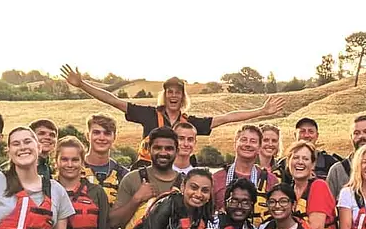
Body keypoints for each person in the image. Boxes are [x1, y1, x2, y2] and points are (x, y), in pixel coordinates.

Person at [59, 65, 283, 167]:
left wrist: (261, 112)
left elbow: (226, 118)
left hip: (180, 173)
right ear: (164, 95)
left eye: (178, 92)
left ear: (183, 97)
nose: (173, 96)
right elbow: (113, 100)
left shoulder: (191, 122)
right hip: (148, 170)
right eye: (170, 92)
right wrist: (82, 85)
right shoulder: (147, 114)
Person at [111, 127, 183, 229]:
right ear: (149, 149)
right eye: (157, 148)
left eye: (169, 148)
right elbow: (114, 222)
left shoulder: (186, 184)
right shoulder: (132, 179)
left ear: (177, 151)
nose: (163, 153)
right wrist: (136, 199)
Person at [211, 124, 279, 224]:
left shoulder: (271, 180)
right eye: (243, 140)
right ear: (235, 144)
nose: (248, 144)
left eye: (253, 141)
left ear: (260, 147)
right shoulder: (216, 178)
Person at [83, 114, 128, 229]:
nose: (101, 138)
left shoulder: (124, 175)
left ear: (114, 137)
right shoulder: (72, 169)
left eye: (107, 133)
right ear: (87, 135)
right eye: (96, 132)